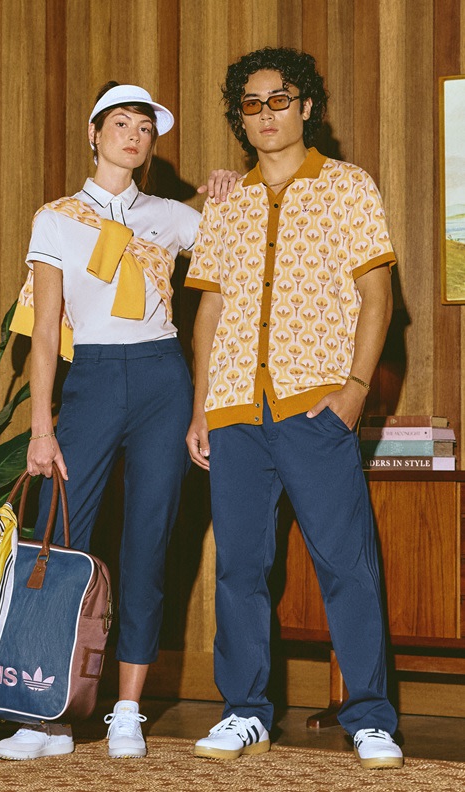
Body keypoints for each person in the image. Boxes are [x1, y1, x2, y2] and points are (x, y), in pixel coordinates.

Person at [0, 82, 237, 762]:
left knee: (150, 540)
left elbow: (245, 240)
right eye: (121, 123)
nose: (134, 136)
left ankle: (126, 709)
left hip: (164, 377)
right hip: (94, 379)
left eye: (145, 129)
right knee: (57, 536)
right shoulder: (56, 219)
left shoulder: (173, 217)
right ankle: (45, 710)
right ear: (96, 134)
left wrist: (227, 187)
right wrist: (41, 426)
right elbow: (47, 331)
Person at [185, 47, 404, 770]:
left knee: (347, 565)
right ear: (240, 119)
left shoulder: (348, 186)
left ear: (306, 106)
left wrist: (352, 394)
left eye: (281, 99)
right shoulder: (226, 201)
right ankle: (245, 711)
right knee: (240, 568)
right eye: (252, 104)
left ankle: (370, 716)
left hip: (317, 408)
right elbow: (209, 313)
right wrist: (201, 409)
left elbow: (378, 299)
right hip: (236, 413)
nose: (267, 114)